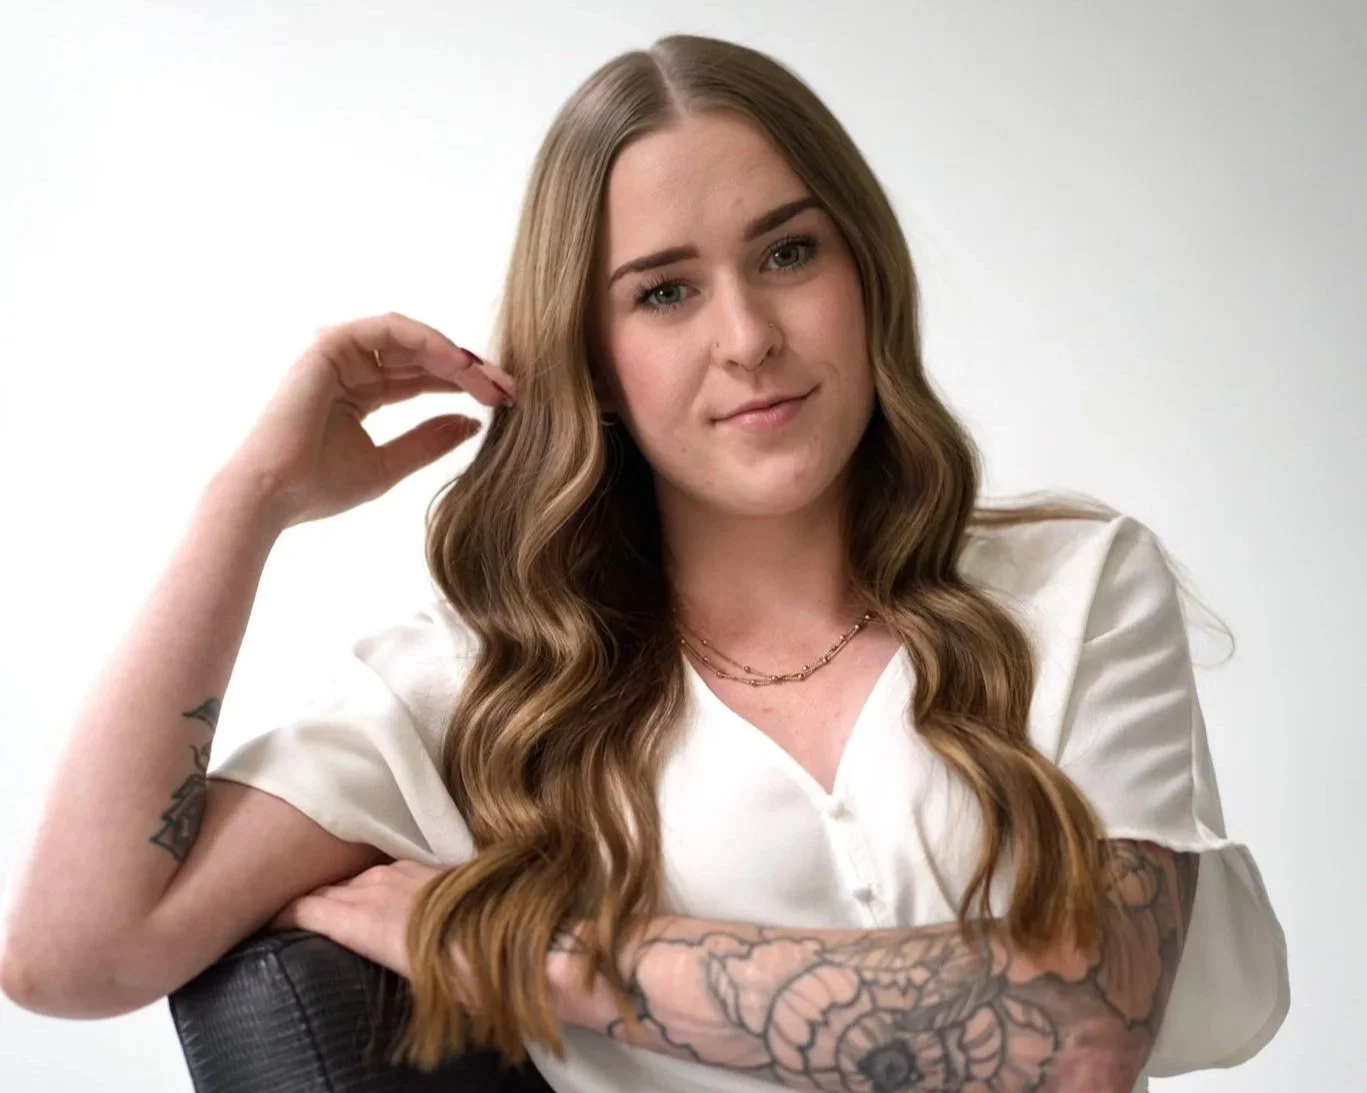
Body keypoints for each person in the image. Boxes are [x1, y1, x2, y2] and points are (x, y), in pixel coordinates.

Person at [0, 32, 1287, 1093]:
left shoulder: (1071, 589)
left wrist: (544, 951)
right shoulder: (481, 692)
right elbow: (73, 952)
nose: (748, 337)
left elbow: (1074, 1034)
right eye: (663, 292)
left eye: (788, 253)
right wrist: (251, 499)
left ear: (865, 273)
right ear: (591, 358)